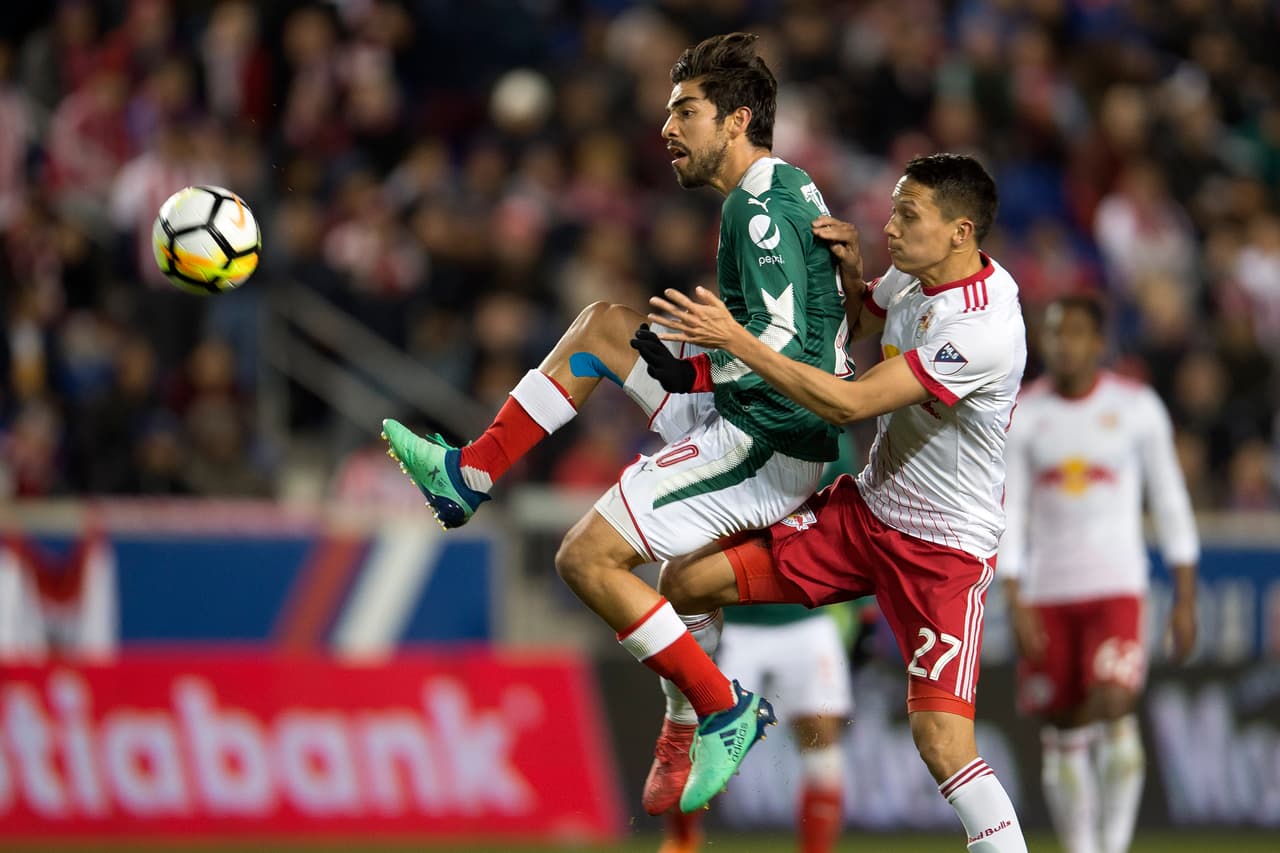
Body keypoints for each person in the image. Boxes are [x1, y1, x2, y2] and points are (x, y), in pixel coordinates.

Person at [382, 32, 852, 809]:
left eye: (686, 112)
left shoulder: (757, 207)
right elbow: (816, 321)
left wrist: (696, 368)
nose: (668, 128)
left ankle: (721, 706)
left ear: (736, 120)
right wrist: (693, 371)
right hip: (754, 410)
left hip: (765, 437)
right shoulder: (792, 186)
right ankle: (470, 474)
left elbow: (778, 340)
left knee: (587, 559)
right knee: (605, 325)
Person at [645, 153, 1031, 851]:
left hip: (942, 554)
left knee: (942, 742)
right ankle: (713, 712)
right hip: (865, 515)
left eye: (908, 215)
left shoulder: (982, 330)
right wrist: (853, 277)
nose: (888, 226)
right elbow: (853, 328)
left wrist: (737, 341)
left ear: (960, 231)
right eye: (891, 209)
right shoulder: (915, 279)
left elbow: (848, 398)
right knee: (684, 578)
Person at [998, 295, 1199, 853]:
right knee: (1063, 725)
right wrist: (1014, 597)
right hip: (1048, 590)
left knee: (1113, 702)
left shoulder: (1136, 407)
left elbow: (1170, 500)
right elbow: (1009, 510)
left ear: (1098, 341)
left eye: (1077, 333)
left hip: (1117, 584)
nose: (1065, 344)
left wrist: (1185, 595)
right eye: (1056, 333)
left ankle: (1111, 846)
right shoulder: (1026, 415)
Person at [658, 603, 852, 853]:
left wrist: (865, 605)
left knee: (821, 738)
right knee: (701, 737)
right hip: (731, 624)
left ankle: (817, 850)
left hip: (806, 619)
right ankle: (682, 841)